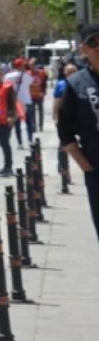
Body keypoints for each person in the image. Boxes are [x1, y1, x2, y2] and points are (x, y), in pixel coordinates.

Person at [57, 23, 99, 242]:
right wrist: (86, 167)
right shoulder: (76, 84)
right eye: (92, 42)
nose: (98, 47)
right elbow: (65, 131)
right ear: (83, 48)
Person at [53, 63, 79, 191]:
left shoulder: (81, 83)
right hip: (65, 120)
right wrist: (56, 117)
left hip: (80, 120)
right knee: (63, 147)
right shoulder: (61, 85)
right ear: (64, 73)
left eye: (73, 71)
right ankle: (65, 172)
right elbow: (57, 101)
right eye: (68, 72)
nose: (71, 74)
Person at [6, 58, 37, 148]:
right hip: (27, 101)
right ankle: (30, 140)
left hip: (15, 102)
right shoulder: (27, 76)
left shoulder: (8, 76)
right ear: (21, 66)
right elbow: (31, 82)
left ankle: (20, 143)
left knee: (17, 124)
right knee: (29, 122)